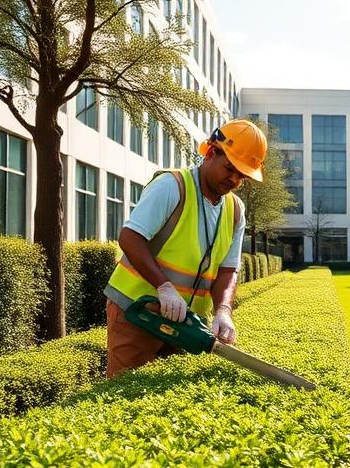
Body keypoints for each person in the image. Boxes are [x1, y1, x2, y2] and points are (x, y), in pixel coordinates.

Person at [103, 119, 266, 379]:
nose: (234, 179)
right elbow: (130, 237)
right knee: (123, 392)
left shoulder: (235, 210)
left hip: (185, 322)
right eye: (229, 169)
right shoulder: (172, 185)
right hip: (138, 311)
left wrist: (223, 309)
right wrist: (164, 287)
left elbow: (228, 270)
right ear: (211, 153)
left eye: (242, 176)